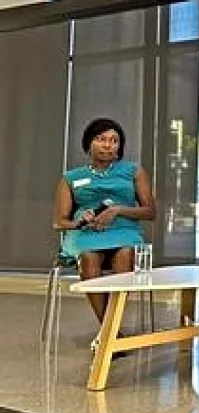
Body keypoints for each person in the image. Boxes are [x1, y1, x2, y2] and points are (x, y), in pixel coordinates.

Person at [53, 118, 156, 338]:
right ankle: (111, 331)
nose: (108, 145)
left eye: (114, 141)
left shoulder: (133, 171)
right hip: (86, 233)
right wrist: (80, 222)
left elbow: (150, 212)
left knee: (126, 253)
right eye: (101, 139)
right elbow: (60, 222)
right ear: (89, 143)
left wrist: (118, 210)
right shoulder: (71, 178)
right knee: (89, 257)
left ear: (120, 146)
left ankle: (109, 331)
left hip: (124, 230)